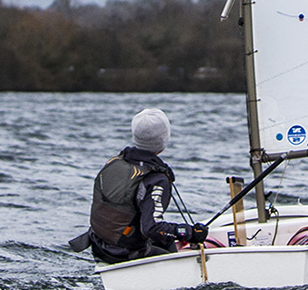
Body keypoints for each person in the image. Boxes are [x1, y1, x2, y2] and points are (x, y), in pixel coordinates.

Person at [69, 109, 207, 264]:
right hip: (126, 254)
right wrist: (188, 232)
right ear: (164, 140)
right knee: (167, 240)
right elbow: (151, 229)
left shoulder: (115, 163)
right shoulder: (155, 179)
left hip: (100, 246)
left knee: (166, 240)